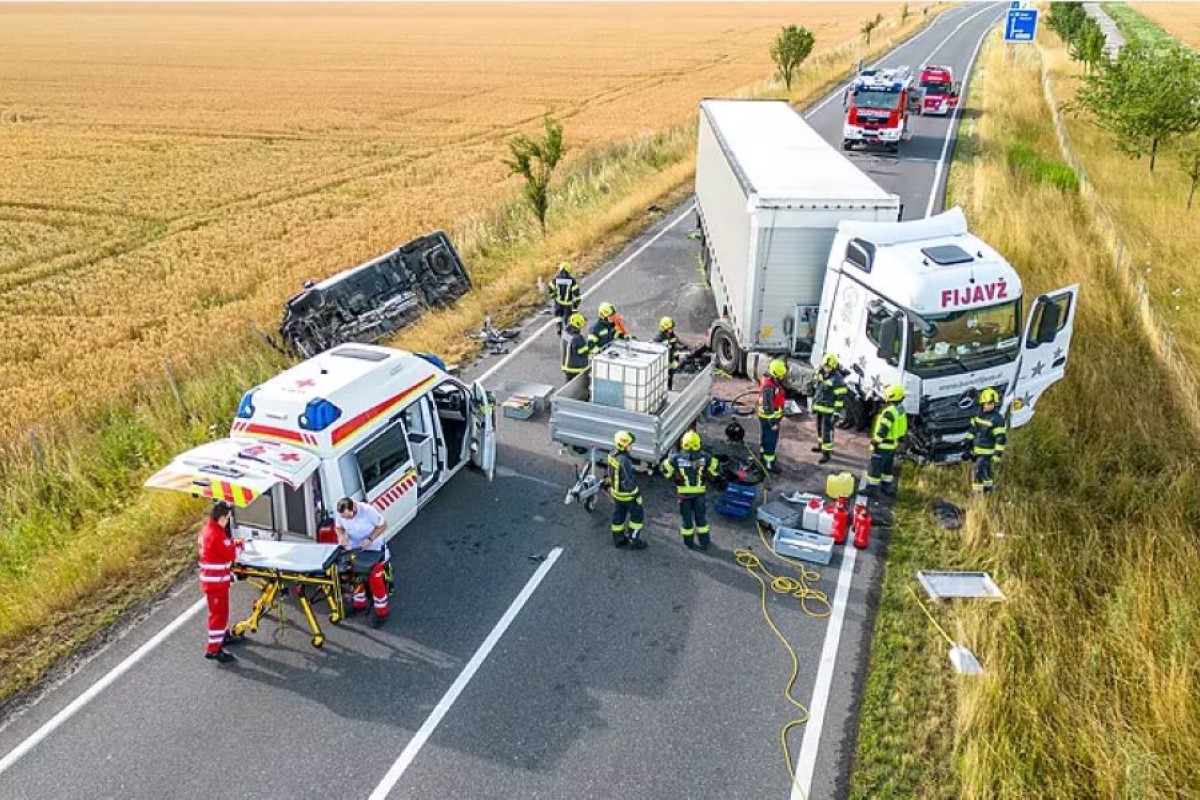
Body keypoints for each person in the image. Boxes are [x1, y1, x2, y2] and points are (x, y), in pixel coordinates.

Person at [198, 500, 244, 664]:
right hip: (216, 583)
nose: (228, 522)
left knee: (221, 613)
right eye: (227, 518)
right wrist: (239, 547)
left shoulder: (208, 530)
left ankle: (223, 637)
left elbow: (222, 548)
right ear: (222, 518)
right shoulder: (216, 535)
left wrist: (232, 543)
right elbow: (230, 554)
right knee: (218, 616)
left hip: (214, 581)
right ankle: (213, 649)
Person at [334, 497, 390, 627]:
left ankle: (382, 612)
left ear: (353, 507)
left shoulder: (368, 511)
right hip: (356, 549)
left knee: (375, 579)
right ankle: (360, 603)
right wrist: (341, 536)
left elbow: (383, 525)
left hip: (374, 549)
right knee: (354, 577)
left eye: (348, 517)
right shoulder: (341, 512)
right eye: (345, 518)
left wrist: (370, 539)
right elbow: (338, 528)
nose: (346, 520)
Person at [661, 430, 720, 551]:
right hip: (700, 494)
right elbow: (716, 468)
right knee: (701, 520)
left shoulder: (676, 458)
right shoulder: (705, 457)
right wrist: (708, 474)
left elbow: (664, 468)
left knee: (687, 521)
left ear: (683, 443)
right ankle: (705, 542)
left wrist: (673, 478)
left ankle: (688, 543)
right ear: (698, 443)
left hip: (684, 495)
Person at [606, 430, 647, 550]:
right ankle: (634, 540)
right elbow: (628, 482)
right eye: (630, 444)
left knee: (618, 516)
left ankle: (618, 539)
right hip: (627, 496)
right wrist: (637, 494)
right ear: (623, 445)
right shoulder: (625, 461)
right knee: (637, 517)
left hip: (616, 494)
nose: (632, 447)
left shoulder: (612, 454)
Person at [866, 385, 908, 498]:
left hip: (883, 445)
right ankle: (886, 488)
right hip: (892, 444)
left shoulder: (889, 412)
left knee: (875, 467)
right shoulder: (900, 409)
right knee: (887, 469)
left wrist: (875, 442)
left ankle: (871, 490)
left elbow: (883, 429)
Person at [964, 387, 1006, 493]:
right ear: (983, 403)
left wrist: (997, 455)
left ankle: (977, 494)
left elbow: (1000, 439)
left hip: (987, 452)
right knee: (987, 472)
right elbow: (972, 431)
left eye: (992, 403)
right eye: (987, 403)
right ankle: (988, 491)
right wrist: (967, 446)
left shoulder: (997, 419)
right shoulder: (978, 416)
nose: (990, 406)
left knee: (978, 471)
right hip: (977, 451)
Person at [811, 353, 848, 464]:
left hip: (829, 410)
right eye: (824, 366)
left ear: (833, 367)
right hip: (820, 408)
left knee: (827, 431)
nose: (826, 368)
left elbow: (840, 398)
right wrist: (813, 405)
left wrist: (837, 413)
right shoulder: (821, 374)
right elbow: (817, 391)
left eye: (828, 367)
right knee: (819, 429)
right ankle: (820, 445)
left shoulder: (837, 379)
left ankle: (826, 453)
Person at [757, 359, 787, 473]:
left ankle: (763, 458)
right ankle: (769, 464)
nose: (783, 377)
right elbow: (767, 407)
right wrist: (773, 423)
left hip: (769, 417)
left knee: (766, 438)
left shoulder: (772, 381)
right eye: (781, 375)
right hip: (769, 418)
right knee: (770, 440)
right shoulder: (769, 387)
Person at [549, 261, 581, 334]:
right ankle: (567, 331)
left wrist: (553, 296)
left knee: (558, 315)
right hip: (568, 304)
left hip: (558, 301)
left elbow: (550, 288)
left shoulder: (556, 279)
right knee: (567, 318)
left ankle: (558, 327)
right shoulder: (571, 280)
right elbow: (576, 293)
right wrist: (575, 307)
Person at [654, 316, 684, 390]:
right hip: (662, 367)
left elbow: (675, 349)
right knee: (662, 385)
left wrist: (676, 361)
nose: (672, 329)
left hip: (670, 366)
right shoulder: (659, 339)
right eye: (671, 328)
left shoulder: (672, 337)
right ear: (665, 328)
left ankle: (669, 390)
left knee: (669, 383)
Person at [561, 312, 590, 383]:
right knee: (579, 385)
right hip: (576, 367)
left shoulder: (565, 333)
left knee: (569, 384)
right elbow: (582, 351)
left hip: (566, 365)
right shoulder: (578, 338)